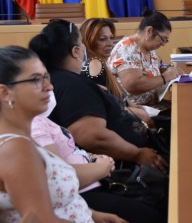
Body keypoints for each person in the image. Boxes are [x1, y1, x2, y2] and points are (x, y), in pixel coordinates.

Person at [0, 46, 123, 222]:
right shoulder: (16, 149)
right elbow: (38, 219)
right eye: (36, 80)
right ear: (5, 92)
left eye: (46, 77)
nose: (49, 86)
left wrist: (92, 215)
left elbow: (45, 200)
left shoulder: (20, 138)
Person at [28, 19, 167, 172]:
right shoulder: (72, 85)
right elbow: (93, 137)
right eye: (81, 43)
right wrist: (137, 154)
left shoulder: (60, 78)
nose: (84, 48)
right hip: (119, 167)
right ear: (75, 51)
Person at [30, 91, 163, 223]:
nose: (49, 86)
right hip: (85, 190)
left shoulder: (38, 119)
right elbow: (58, 177)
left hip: (94, 181)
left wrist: (93, 158)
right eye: (36, 79)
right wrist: (102, 167)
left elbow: (69, 152)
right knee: (151, 214)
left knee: (159, 194)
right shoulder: (32, 127)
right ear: (9, 91)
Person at [80, 18, 154, 128]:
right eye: (102, 39)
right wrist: (131, 111)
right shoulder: (95, 63)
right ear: (89, 40)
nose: (110, 44)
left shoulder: (92, 61)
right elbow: (99, 104)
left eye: (111, 38)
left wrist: (128, 103)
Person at [107, 9, 181, 107]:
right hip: (135, 111)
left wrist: (170, 70)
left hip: (153, 105)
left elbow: (155, 66)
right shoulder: (127, 50)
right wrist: (166, 77)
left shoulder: (148, 47)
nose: (163, 44)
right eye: (163, 39)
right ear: (149, 31)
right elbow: (132, 85)